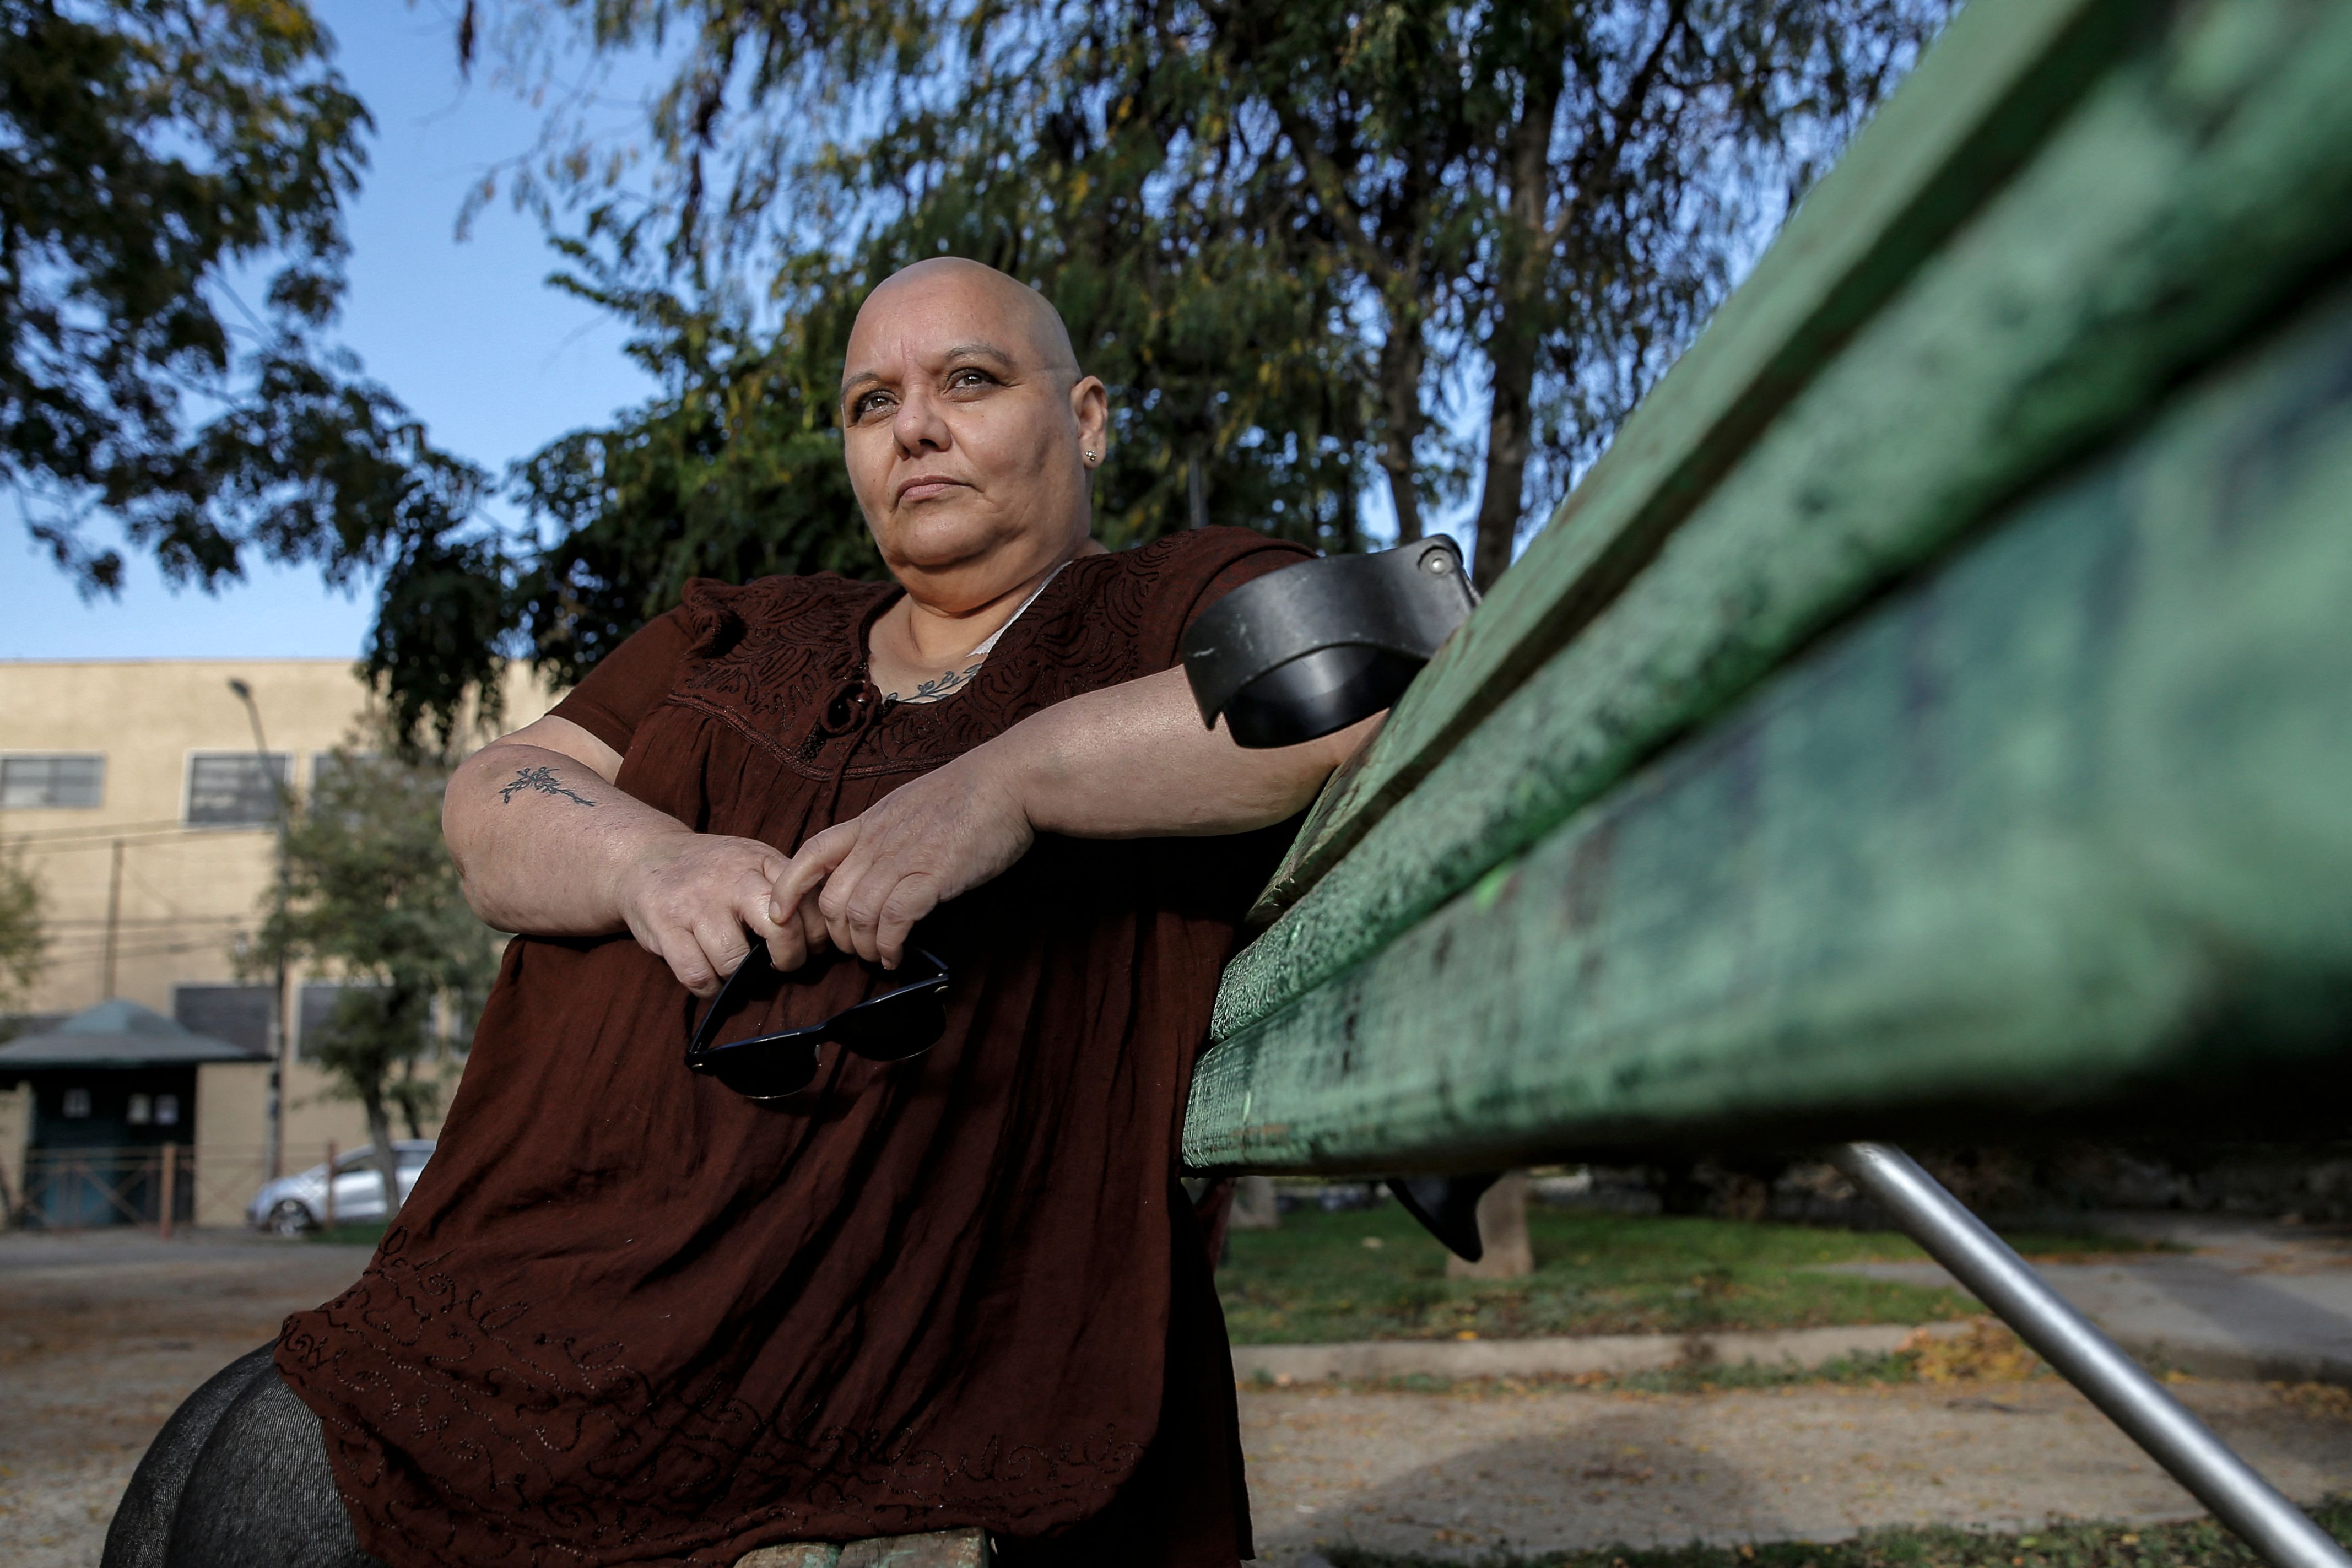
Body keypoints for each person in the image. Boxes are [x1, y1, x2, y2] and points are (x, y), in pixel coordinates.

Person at [103, 257, 1368, 1568]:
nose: (914, 427)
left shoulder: (1160, 609)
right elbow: (492, 803)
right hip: (548, 1267)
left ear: (1088, 417)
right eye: (870, 403)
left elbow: (1356, 673)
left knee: (266, 1485)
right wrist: (648, 861)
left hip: (867, 1313)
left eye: (969, 382)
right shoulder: (745, 632)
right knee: (208, 1460)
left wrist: (1010, 784)